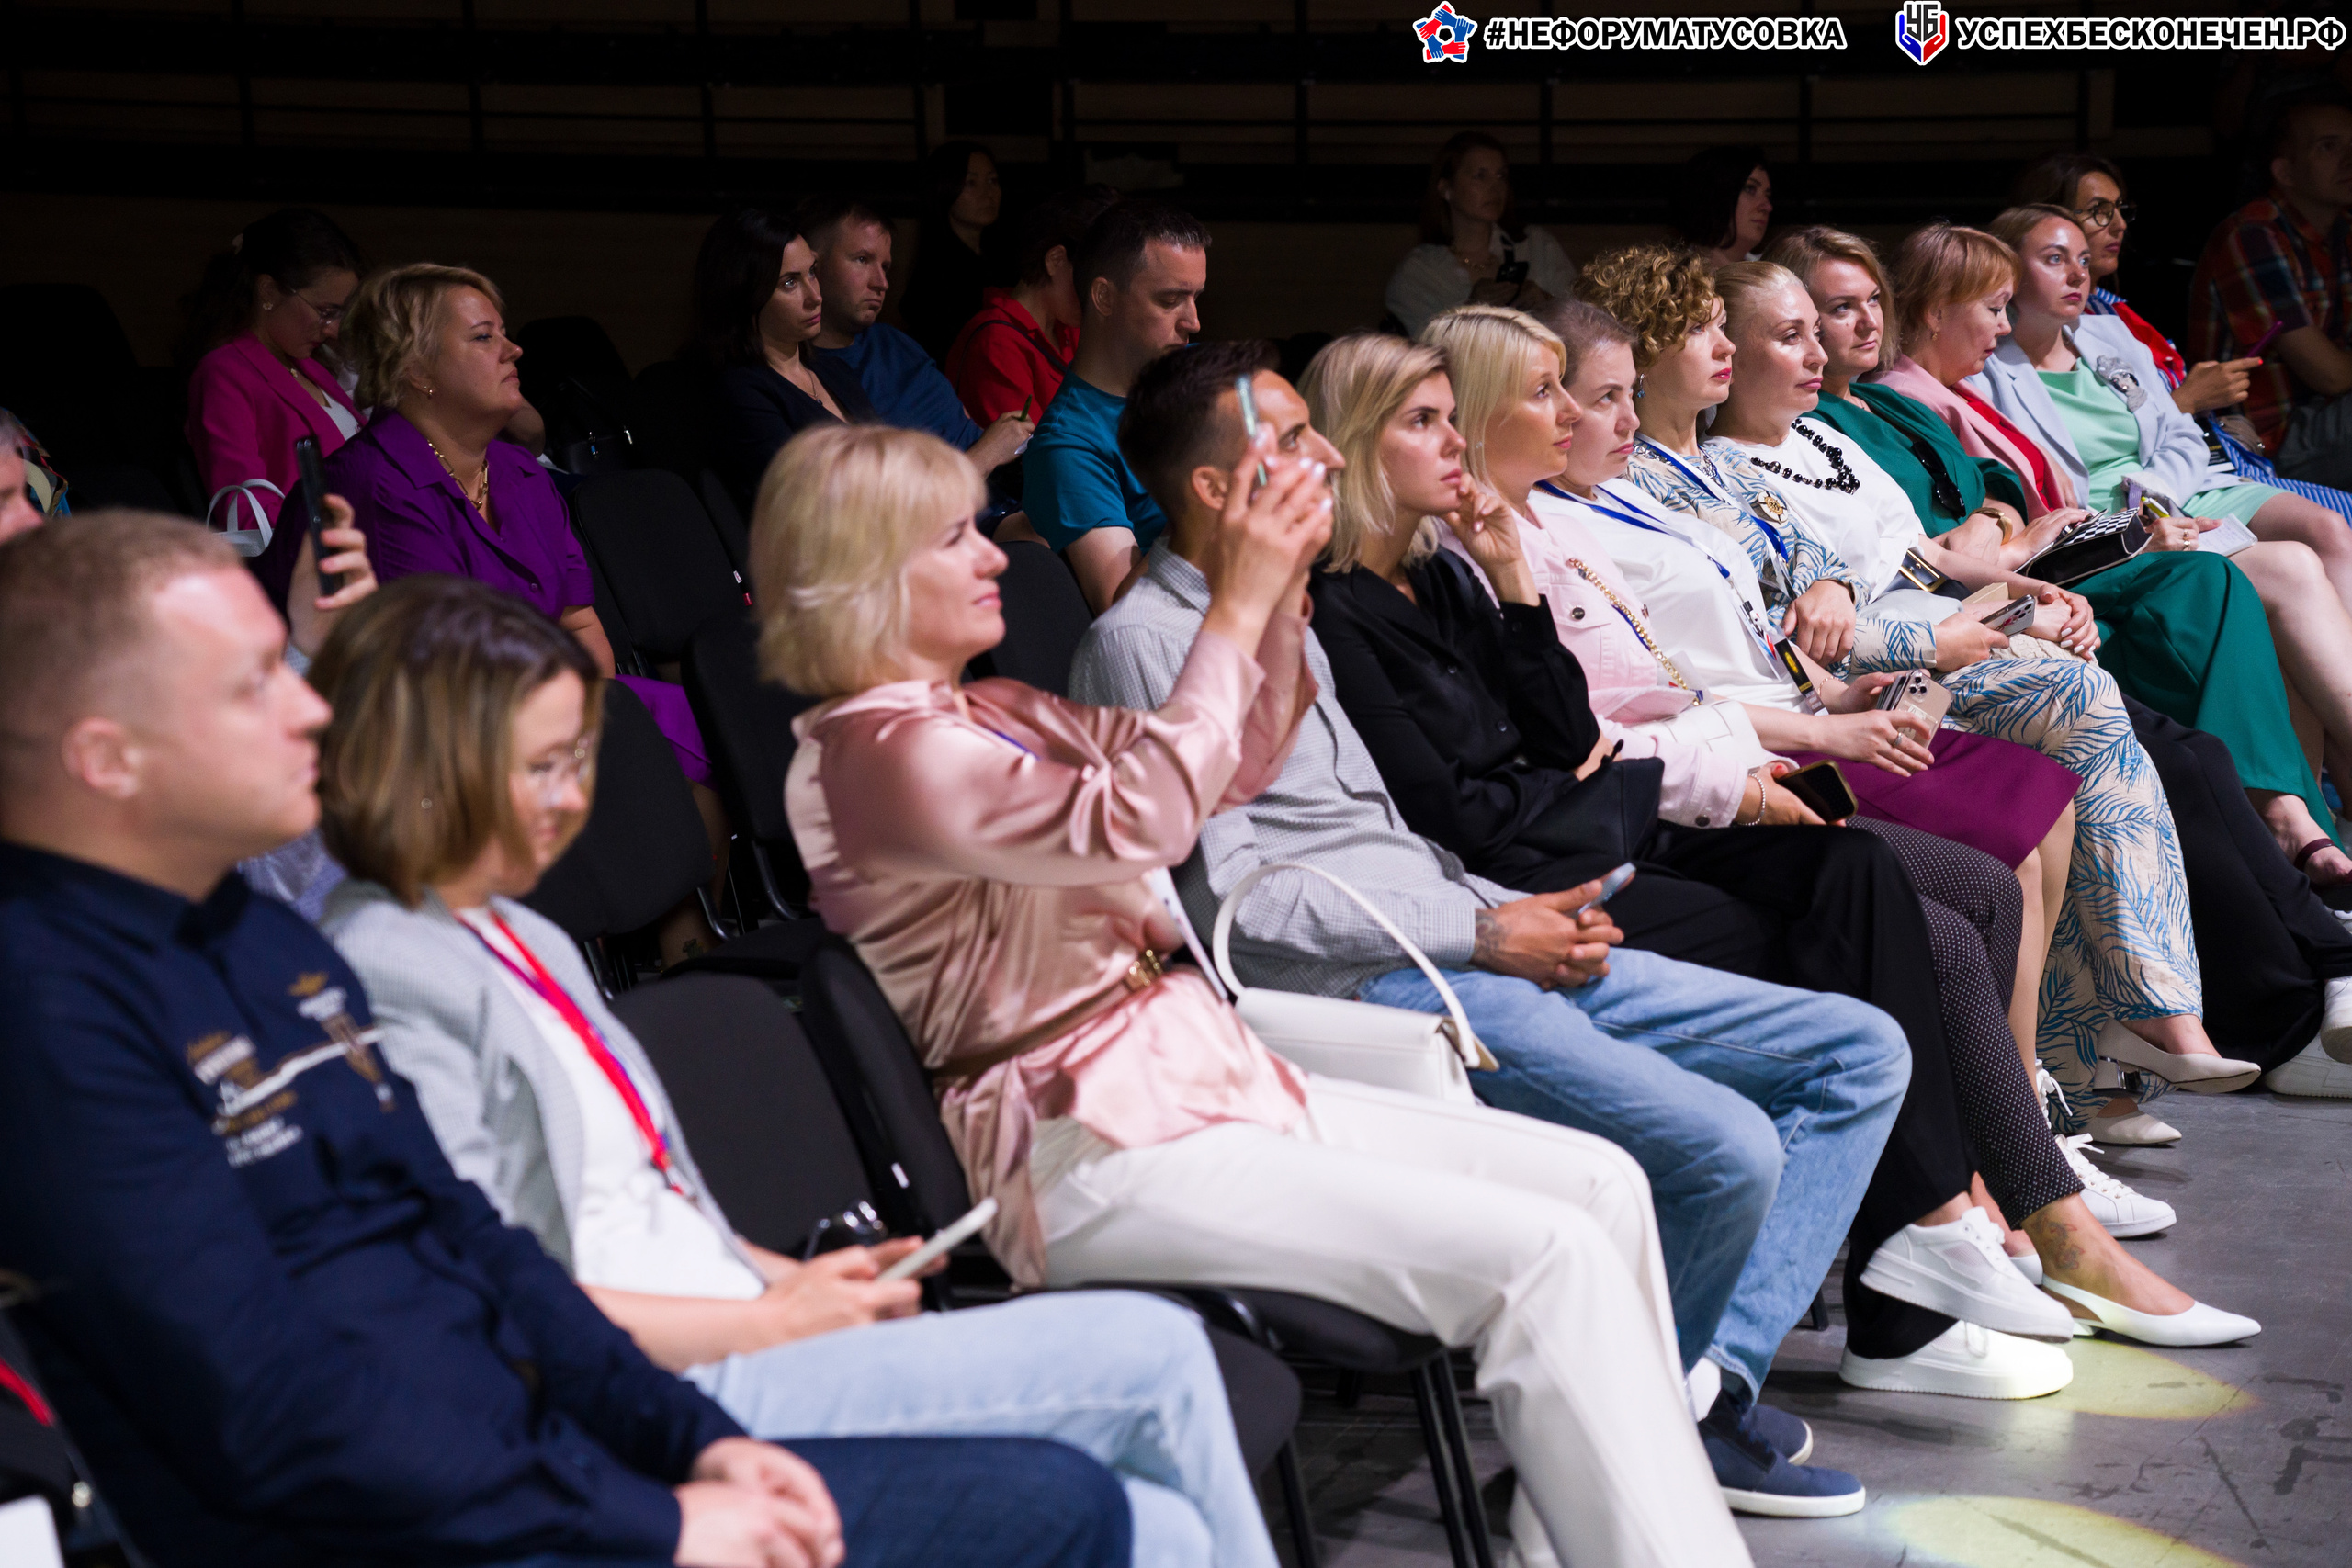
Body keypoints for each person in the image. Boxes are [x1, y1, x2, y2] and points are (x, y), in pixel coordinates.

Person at [0, 509, 1136, 1568]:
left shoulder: (254, 937)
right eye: (254, 685)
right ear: (108, 758)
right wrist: (651, 1517)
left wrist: (689, 1440)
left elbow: (475, 1242)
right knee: (1053, 1505)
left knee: (1060, 1498)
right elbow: (271, 1406)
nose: (309, 707)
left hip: (519, 1458)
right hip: (388, 1527)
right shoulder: (48, 1012)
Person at [771, 419, 1755, 1567]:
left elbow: (1222, 766)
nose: (993, 553)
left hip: (1203, 1075)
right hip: (1085, 1149)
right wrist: (1231, 599)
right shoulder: (869, 752)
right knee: (1546, 1254)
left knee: (1599, 1185)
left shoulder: (986, 711)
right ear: (865, 573)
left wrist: (1279, 593)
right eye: (953, 539)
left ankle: (1578, 1536)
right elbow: (1140, 810)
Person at [1073, 344, 2011, 1510]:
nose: (1325, 454)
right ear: (1214, 490)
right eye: (1292, 441)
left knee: (1863, 1051)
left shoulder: (1288, 613)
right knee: (1730, 1146)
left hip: (1464, 928)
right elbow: (1238, 906)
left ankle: (1682, 1398)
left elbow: (1408, 818)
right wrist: (1483, 930)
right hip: (1374, 989)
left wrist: (1503, 910)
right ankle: (1641, 1433)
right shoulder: (1143, 643)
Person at [314, 574, 1272, 1568]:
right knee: (1153, 1356)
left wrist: (796, 1280)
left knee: (1157, 1529)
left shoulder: (513, 928)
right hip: (661, 1390)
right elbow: (501, 1294)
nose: (573, 797)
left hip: (730, 1325)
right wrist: (769, 1316)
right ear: (425, 770)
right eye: (541, 766)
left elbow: (636, 1201)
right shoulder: (385, 968)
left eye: (577, 759)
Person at [1514, 302, 2258, 1354]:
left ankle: (2009, 1177)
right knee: (1937, 903)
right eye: (1585, 396)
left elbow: (1714, 658)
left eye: (1602, 392)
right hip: (1692, 800)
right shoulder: (1532, 542)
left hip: (1759, 742)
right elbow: (1596, 744)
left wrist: (1831, 688)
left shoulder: (1595, 515)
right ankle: (1994, 1214)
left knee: (2042, 820)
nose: (1607, 415)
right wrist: (1797, 734)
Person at [1574, 246, 2257, 1123]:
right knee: (2078, 718)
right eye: (1774, 332)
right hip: (1799, 714)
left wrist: (2011, 577)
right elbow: (1760, 633)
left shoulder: (1739, 460)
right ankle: (2072, 1071)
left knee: (2090, 746)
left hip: (1842, 681)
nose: (1818, 346)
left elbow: (1852, 566)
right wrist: (1928, 639)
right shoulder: (1660, 480)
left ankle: (2094, 1050)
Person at [1774, 224, 2352, 1103]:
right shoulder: (1793, 436)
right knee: (2172, 726)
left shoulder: (1861, 419)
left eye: (1862, 307)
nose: (1840, 333)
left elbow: (1977, 499)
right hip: (1911, 656)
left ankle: (2282, 977)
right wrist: (1989, 573)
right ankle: (2271, 1004)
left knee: (2193, 736)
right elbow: (1849, 580)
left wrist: (1999, 544)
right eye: (1820, 317)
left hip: (1980, 612)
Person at [325, 261, 723, 964]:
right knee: (620, 747)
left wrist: (592, 711)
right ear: (418, 370)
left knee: (676, 727)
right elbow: (447, 667)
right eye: (484, 338)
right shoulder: (376, 479)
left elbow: (580, 624)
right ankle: (638, 966)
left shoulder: (513, 469)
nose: (514, 351)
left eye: (505, 334)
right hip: (444, 727)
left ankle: (686, 964)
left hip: (550, 699)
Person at [1969, 209, 2352, 864]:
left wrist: (2160, 499)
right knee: (2288, 570)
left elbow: (2181, 433)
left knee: (2324, 528)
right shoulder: (1985, 369)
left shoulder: (2108, 335)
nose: (2078, 274)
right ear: (2006, 273)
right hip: (2110, 529)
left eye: (2083, 260)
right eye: (2055, 259)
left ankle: (2316, 811)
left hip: (2177, 490)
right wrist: (2143, 518)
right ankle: (2309, 817)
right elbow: (2041, 495)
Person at [2014, 151, 2352, 537]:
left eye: (2121, 209)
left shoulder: (2114, 318)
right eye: (2099, 211)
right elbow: (2114, 438)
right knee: (2329, 529)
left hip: (2203, 467)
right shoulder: (2026, 340)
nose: (2120, 224)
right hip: (2142, 495)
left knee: (2335, 523)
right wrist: (2188, 399)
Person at [1024, 201, 1209, 612]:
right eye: (1170, 300)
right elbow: (1118, 605)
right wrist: (1212, 492)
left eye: (1196, 297)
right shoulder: (1068, 444)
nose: (1193, 321)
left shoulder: (1201, 378)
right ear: (1105, 297)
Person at [178, 208, 368, 607]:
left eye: (339, 314)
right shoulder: (224, 373)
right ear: (267, 292)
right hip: (310, 576)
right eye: (325, 311)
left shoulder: (313, 368)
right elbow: (245, 511)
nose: (332, 328)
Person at [2189, 85, 2352, 489]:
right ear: (2285, 172)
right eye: (2329, 147)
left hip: (2329, 417)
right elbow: (2329, 375)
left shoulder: (2343, 230)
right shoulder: (2253, 235)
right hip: (2268, 442)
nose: (2349, 159)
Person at [798, 195, 1031, 472]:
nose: (881, 283)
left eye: (885, 267)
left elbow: (963, 424)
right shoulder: (805, 376)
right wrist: (990, 451)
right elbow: (897, 502)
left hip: (1003, 486)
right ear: (812, 266)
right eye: (862, 260)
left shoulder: (893, 341)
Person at [693, 207, 877, 509]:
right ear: (745, 296)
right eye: (790, 283)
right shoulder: (742, 394)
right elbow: (807, 502)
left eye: (812, 273)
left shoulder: (834, 370)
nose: (815, 296)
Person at [946, 185, 1121, 426]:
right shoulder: (996, 343)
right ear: (1056, 260)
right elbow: (1032, 454)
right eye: (1094, 279)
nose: (1101, 296)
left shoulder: (1072, 328)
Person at [1384, 131, 1576, 338]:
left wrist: (1547, 303)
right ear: (1446, 188)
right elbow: (1422, 349)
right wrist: (1469, 312)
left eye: (1501, 175)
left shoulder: (1536, 246)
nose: (1495, 188)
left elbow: (1583, 320)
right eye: (1480, 176)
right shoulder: (1420, 272)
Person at [899, 140, 1006, 362]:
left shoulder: (1005, 260)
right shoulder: (935, 276)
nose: (988, 193)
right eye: (971, 183)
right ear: (945, 187)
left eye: (992, 180)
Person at [1668, 146, 1773, 267]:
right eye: (1750, 189)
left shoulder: (1777, 277)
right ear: (1715, 194)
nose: (1767, 207)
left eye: (1767, 195)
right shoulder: (1671, 277)